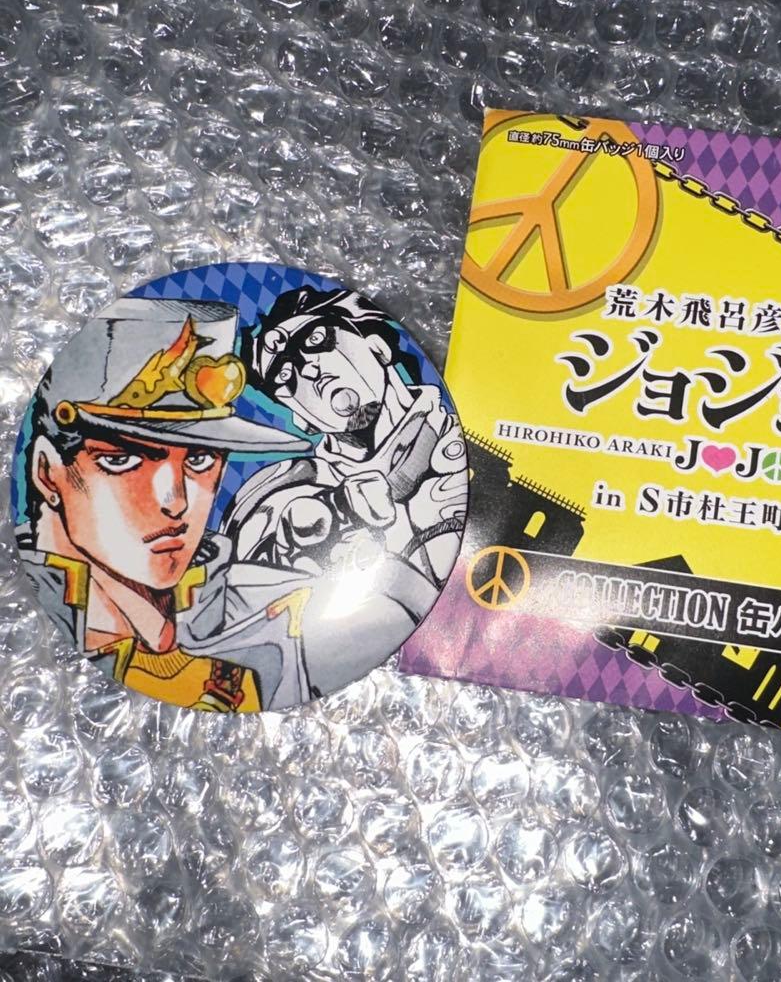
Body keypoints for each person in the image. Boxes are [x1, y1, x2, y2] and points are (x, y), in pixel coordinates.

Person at [16, 297, 413, 712]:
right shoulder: (29, 624)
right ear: (47, 472)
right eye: (122, 460)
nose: (176, 501)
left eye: (200, 460)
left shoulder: (270, 607)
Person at [223, 287, 468, 614]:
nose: (308, 370)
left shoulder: (470, 448)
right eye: (285, 375)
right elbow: (248, 580)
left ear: (378, 346)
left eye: (316, 340)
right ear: (302, 418)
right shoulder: (292, 488)